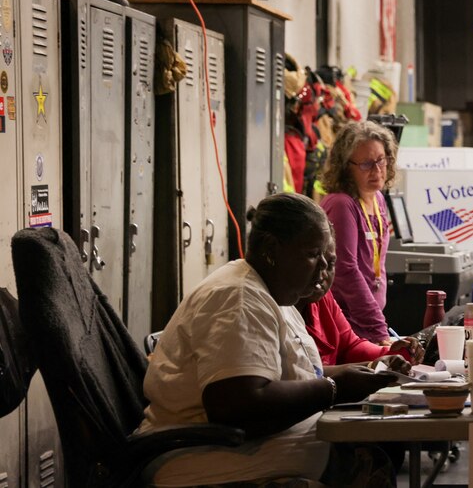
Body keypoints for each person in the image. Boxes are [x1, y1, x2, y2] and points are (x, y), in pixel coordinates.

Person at [139, 193, 399, 486]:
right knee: (364, 462)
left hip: (233, 448)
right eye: (313, 254)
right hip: (197, 458)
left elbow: (285, 375)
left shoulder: (274, 295)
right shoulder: (238, 298)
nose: (322, 271)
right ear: (272, 250)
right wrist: (335, 389)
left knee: (372, 450)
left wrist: (367, 372)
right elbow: (238, 407)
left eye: (327, 260)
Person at [319, 121, 398, 344]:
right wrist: (378, 328)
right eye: (365, 164)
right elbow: (345, 270)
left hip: (368, 321)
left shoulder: (378, 198)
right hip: (345, 325)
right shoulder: (342, 204)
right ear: (346, 167)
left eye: (380, 160)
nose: (377, 170)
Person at [299, 234, 425, 369]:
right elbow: (306, 374)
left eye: (330, 264)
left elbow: (350, 346)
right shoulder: (280, 309)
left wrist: (393, 354)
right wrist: (370, 365)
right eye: (312, 257)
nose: (323, 273)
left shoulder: (322, 298)